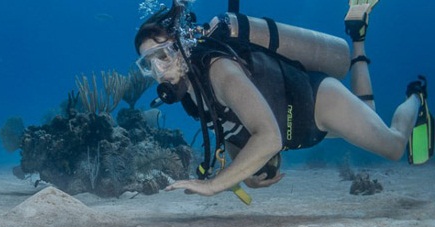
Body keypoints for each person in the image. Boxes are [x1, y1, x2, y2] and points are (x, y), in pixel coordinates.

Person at [132, 0, 431, 198]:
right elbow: (233, 131)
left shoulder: (219, 71)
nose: (159, 71)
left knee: (393, 146)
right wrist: (245, 174)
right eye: (148, 64)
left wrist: (214, 184)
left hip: (317, 103)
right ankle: (358, 35)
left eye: (164, 56)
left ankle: (416, 95)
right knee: (368, 112)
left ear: (182, 47)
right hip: (299, 128)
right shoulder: (190, 95)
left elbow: (269, 138)